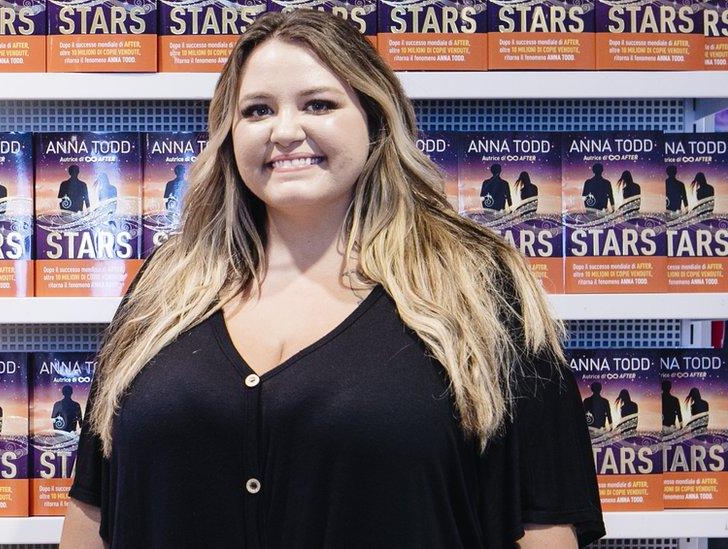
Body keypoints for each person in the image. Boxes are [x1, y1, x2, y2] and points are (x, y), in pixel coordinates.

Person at [61, 11, 604, 549]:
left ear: (374, 119)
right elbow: (93, 505)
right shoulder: (165, 286)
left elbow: (543, 522)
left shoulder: (479, 288)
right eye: (257, 111)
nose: (286, 131)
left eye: (318, 104)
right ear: (229, 134)